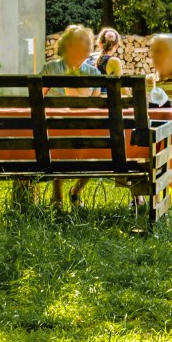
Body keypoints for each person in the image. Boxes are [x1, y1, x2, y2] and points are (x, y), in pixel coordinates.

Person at [43, 25, 101, 211]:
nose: (87, 47)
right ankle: (57, 194)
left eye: (88, 43)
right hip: (54, 130)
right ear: (68, 46)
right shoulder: (51, 69)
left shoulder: (94, 73)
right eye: (82, 43)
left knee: (95, 146)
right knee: (60, 140)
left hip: (84, 130)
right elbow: (37, 99)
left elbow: (96, 108)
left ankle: (74, 191)